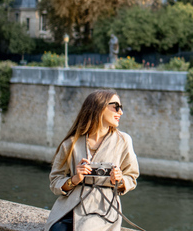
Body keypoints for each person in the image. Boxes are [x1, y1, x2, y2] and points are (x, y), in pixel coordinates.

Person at [45, 89, 140, 231]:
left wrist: (119, 180)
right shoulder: (71, 144)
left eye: (121, 108)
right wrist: (75, 179)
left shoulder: (123, 141)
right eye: (116, 107)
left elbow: (132, 177)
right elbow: (55, 181)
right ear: (99, 107)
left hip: (104, 209)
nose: (120, 112)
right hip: (70, 207)